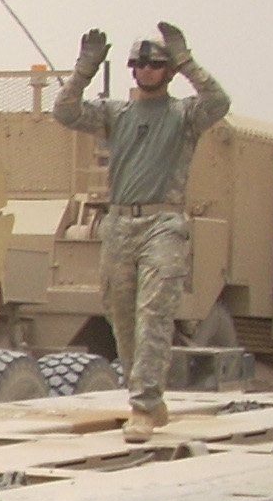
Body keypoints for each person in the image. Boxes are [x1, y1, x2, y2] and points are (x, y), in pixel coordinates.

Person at [51, 22, 230, 439]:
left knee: (153, 314)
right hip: (118, 225)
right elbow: (65, 111)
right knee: (122, 316)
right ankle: (146, 396)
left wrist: (186, 60)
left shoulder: (184, 115)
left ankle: (144, 405)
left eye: (155, 64)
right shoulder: (117, 115)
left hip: (162, 224)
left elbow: (218, 102)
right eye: (139, 64)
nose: (146, 70)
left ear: (168, 71)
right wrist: (84, 68)